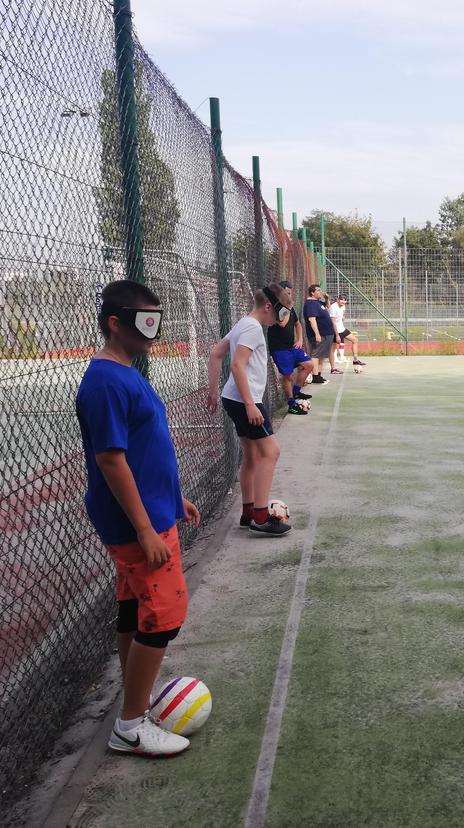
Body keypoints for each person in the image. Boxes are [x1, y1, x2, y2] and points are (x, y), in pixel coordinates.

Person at [75, 280, 202, 757]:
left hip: (152, 512)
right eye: (143, 319)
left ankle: (135, 699)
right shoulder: (106, 380)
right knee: (163, 617)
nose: (153, 329)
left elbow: (150, 450)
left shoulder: (129, 372)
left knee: (133, 609)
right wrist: (147, 528)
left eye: (156, 318)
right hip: (135, 525)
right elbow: (111, 460)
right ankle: (130, 725)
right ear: (115, 322)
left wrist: (174, 498)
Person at [208, 284, 292, 536]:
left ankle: (248, 513)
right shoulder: (253, 328)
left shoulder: (243, 323)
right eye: (282, 310)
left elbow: (215, 353)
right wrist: (250, 404)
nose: (283, 316)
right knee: (271, 452)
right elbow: (237, 366)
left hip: (233, 398)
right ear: (269, 306)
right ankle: (261, 516)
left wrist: (213, 392)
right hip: (245, 401)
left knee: (252, 456)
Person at [268, 280, 312, 413]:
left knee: (309, 364)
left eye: (290, 293)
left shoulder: (289, 307)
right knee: (287, 376)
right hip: (279, 349)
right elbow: (282, 323)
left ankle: (297, 391)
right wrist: (287, 306)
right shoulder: (274, 307)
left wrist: (299, 340)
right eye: (287, 293)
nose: (290, 296)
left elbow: (298, 324)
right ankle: (292, 404)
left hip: (291, 347)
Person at [302, 284, 342, 379]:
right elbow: (312, 319)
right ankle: (315, 376)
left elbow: (328, 307)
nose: (320, 292)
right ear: (312, 292)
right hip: (321, 334)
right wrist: (317, 334)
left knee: (322, 355)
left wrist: (327, 298)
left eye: (320, 290)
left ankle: (319, 375)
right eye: (318, 290)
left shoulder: (318, 302)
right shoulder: (311, 304)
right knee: (316, 354)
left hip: (327, 334)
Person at [329, 294, 366, 369]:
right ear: (337, 300)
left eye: (345, 300)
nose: (343, 301)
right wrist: (337, 335)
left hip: (342, 329)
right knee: (333, 349)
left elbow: (341, 316)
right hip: (335, 331)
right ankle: (333, 368)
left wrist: (343, 318)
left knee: (355, 340)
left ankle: (355, 360)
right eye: (341, 299)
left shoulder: (343, 307)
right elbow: (333, 322)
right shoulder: (333, 307)